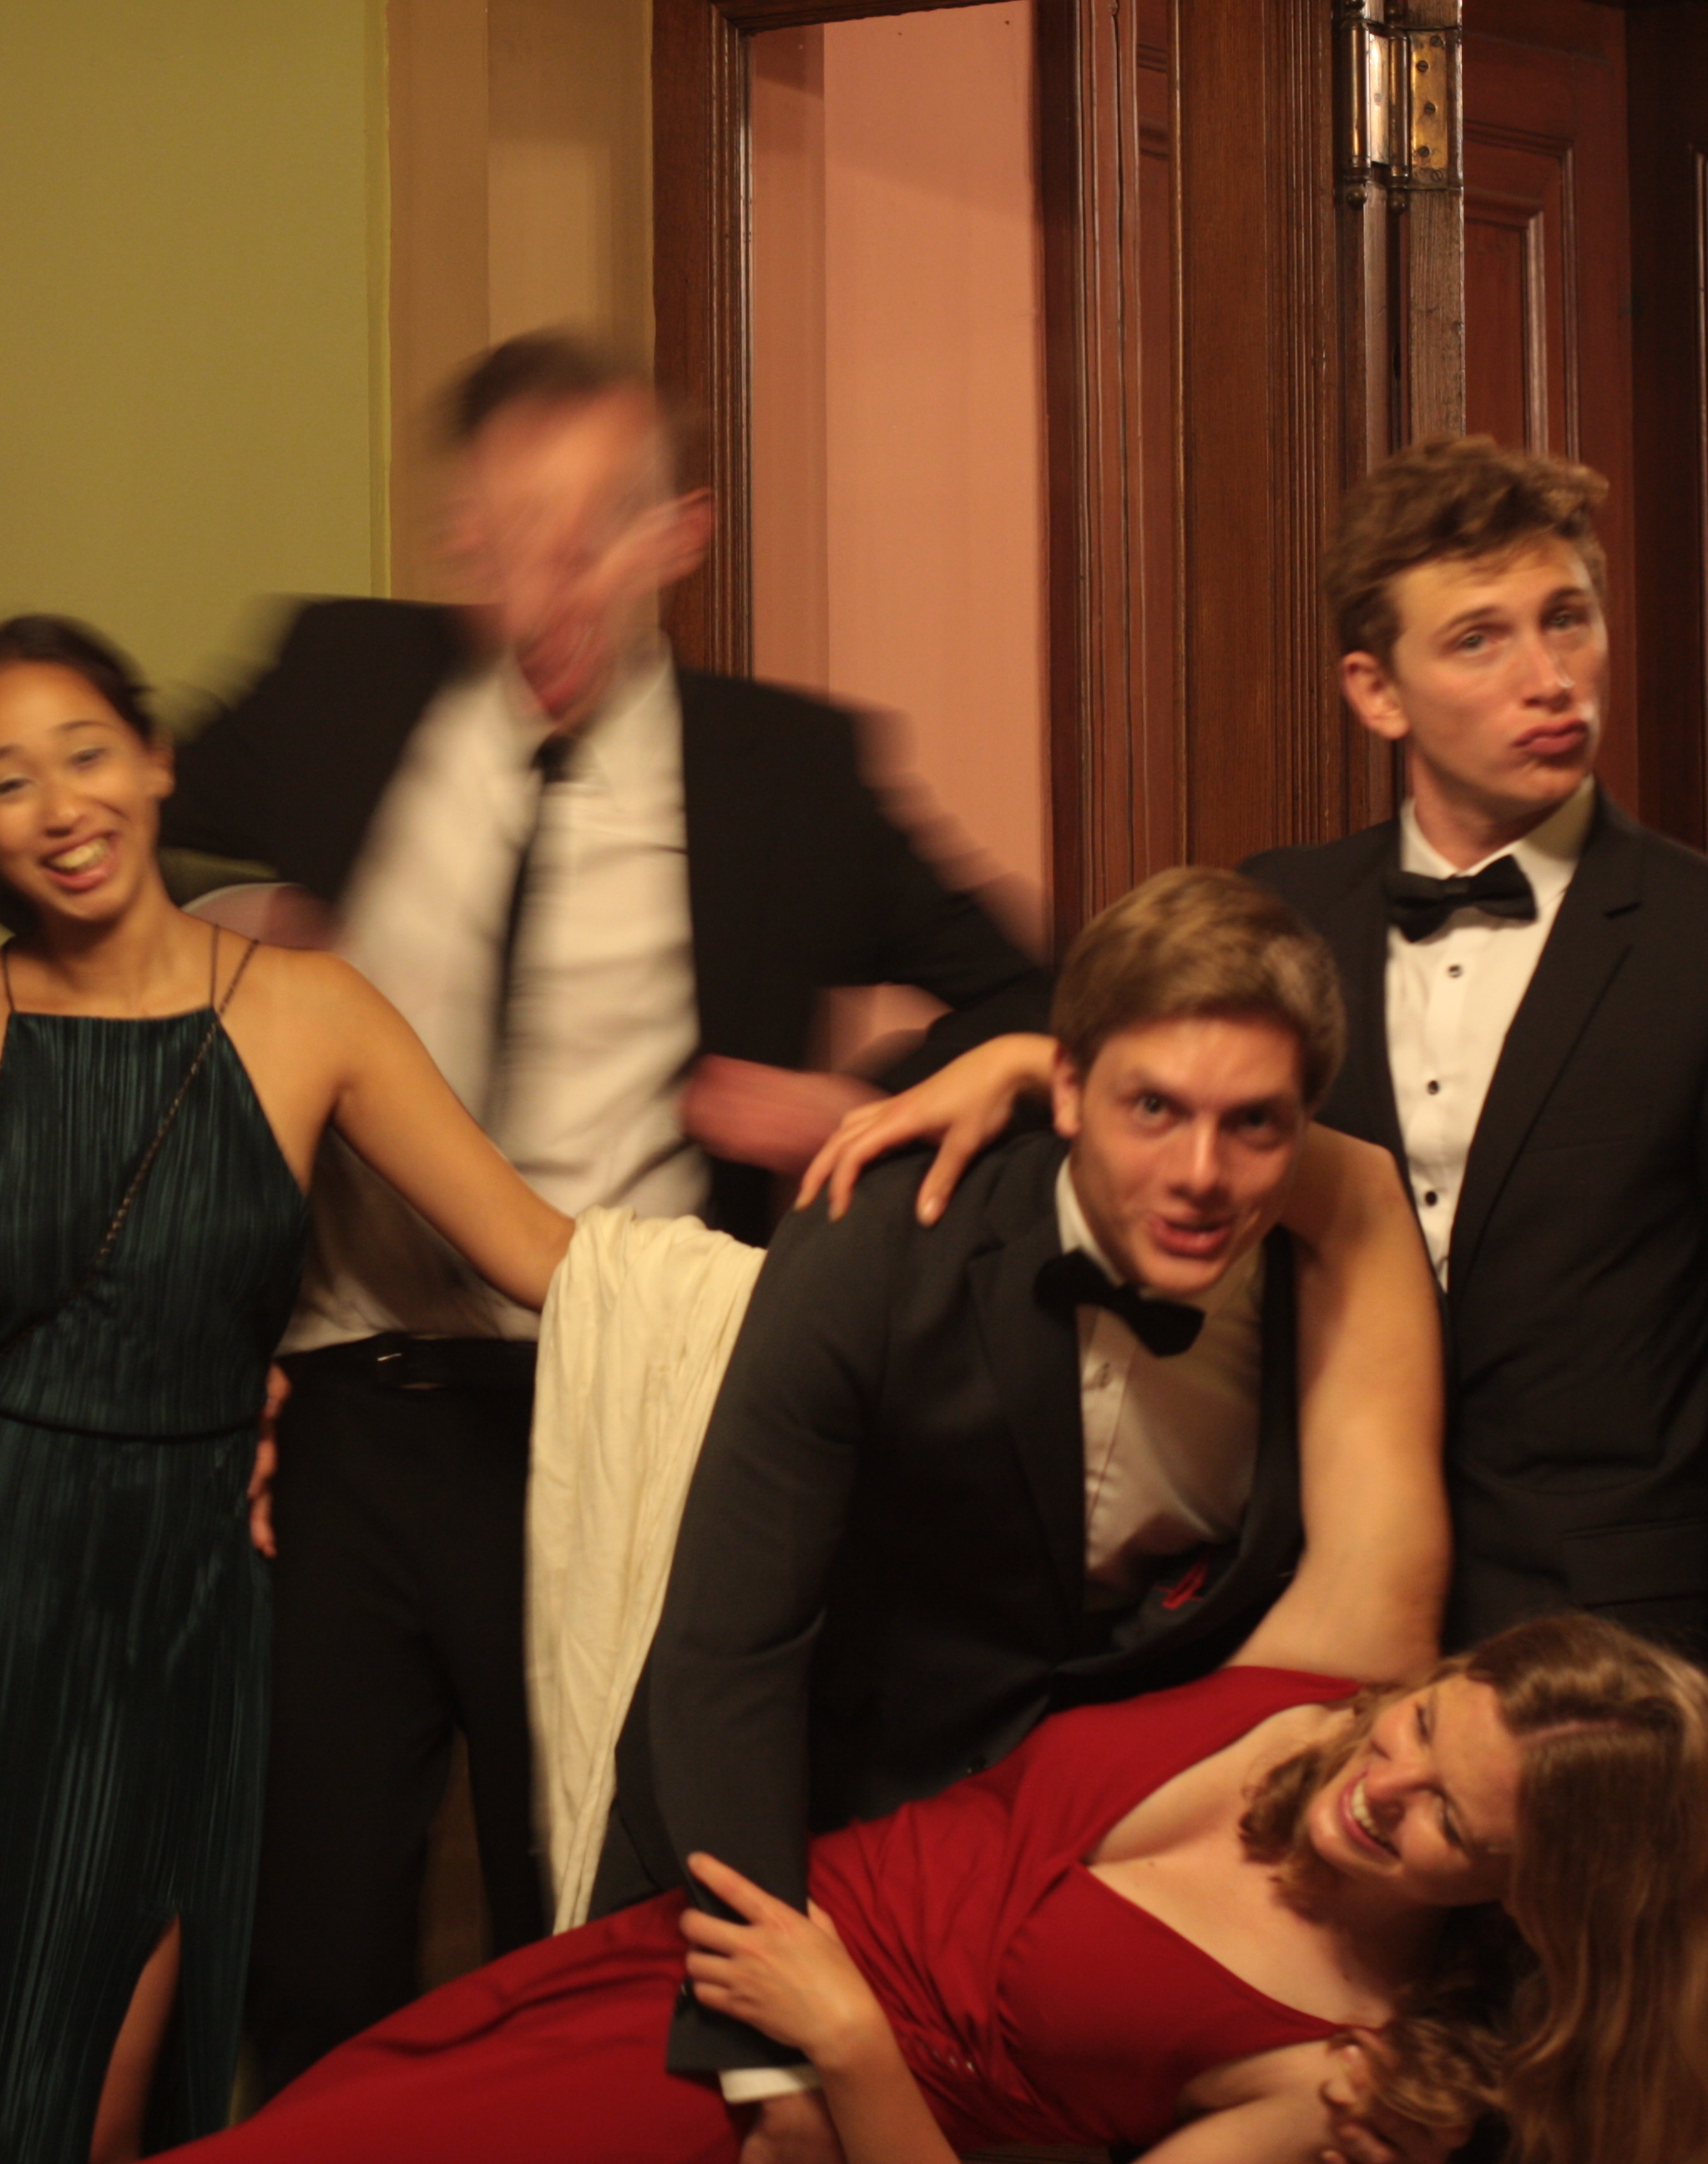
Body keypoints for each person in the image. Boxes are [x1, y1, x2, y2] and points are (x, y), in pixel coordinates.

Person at [161, 331, 1053, 2086]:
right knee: (309, 1929)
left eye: (590, 537)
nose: (546, 585)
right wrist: (242, 924)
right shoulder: (338, 680)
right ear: (458, 540)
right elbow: (89, 834)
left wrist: (865, 1111)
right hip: (340, 1412)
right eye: (506, 540)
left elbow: (1034, 993)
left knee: (581, 1922)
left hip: (623, 1406)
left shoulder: (791, 771)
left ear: (678, 535)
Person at [0, 617, 572, 2162]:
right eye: (7, 782)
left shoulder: (314, 1010)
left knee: (107, 2082)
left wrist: (851, 1288)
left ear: (156, 764)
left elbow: (540, 1255)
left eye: (87, 754)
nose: (61, 806)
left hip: (186, 1603)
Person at [592, 869, 1450, 2146]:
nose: (1202, 1174)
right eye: (1152, 1108)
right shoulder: (877, 1243)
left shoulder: (1331, 1268)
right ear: (1069, 1091)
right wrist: (769, 2067)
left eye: (1255, 1126)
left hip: (1068, 1929)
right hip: (794, 1860)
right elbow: (733, 1652)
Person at [815, 437, 1708, 1655]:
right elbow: (1129, 1085)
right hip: (1290, 1592)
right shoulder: (1285, 906)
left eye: (1568, 620)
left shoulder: (1692, 935)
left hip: (1608, 1627)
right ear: (1376, 692)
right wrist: (1014, 1061)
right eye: (1479, 639)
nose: (1551, 679)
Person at [163, 1595, 1708, 2164]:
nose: (1386, 1788)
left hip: (779, 2111)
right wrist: (1026, 1063)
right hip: (675, 1971)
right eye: (1425, 1725)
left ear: (1528, 1899)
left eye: (1451, 1825)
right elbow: (1351, 1208)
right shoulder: (1335, 1676)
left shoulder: (1345, 2077)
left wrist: (842, 2044)